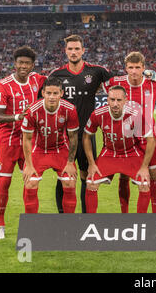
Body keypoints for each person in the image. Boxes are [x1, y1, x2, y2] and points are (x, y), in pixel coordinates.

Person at [49, 34, 112, 213]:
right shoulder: (56, 74)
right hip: (64, 135)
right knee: (64, 176)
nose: (74, 52)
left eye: (77, 48)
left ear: (83, 50)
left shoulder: (97, 71)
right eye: (70, 49)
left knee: (86, 175)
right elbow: (45, 98)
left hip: (86, 134)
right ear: (65, 51)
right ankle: (63, 217)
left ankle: (86, 217)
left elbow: (119, 85)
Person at [0, 46, 46, 239]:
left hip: (29, 139)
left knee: (31, 181)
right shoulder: (3, 85)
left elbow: (56, 81)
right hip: (8, 139)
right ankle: (0, 225)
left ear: (32, 65)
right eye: (20, 62)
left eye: (27, 63)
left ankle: (30, 223)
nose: (23, 66)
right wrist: (18, 116)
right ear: (14, 64)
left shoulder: (37, 80)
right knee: (5, 181)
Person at [102, 52, 156, 213]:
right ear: (125, 68)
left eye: (138, 67)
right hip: (126, 136)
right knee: (124, 175)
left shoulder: (154, 83)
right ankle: (125, 214)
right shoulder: (116, 82)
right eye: (131, 67)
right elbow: (97, 84)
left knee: (153, 174)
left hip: (148, 136)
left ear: (144, 68)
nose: (134, 71)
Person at [83, 85, 155, 213]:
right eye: (112, 100)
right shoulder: (98, 114)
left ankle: (140, 224)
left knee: (144, 184)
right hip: (109, 153)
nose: (115, 104)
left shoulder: (136, 115)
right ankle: (90, 222)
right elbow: (86, 137)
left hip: (131, 152)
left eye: (119, 100)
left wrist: (144, 167)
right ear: (107, 100)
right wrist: (92, 164)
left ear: (125, 100)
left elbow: (151, 140)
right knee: (91, 182)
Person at [21, 77, 79, 214]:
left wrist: (70, 162)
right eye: (48, 93)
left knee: (70, 181)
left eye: (55, 93)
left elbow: (73, 137)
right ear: (43, 93)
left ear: (61, 94)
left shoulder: (69, 109)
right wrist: (28, 165)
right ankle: (31, 224)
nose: (52, 97)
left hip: (60, 149)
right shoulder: (32, 110)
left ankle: (68, 224)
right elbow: (27, 139)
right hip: (39, 150)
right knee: (31, 182)